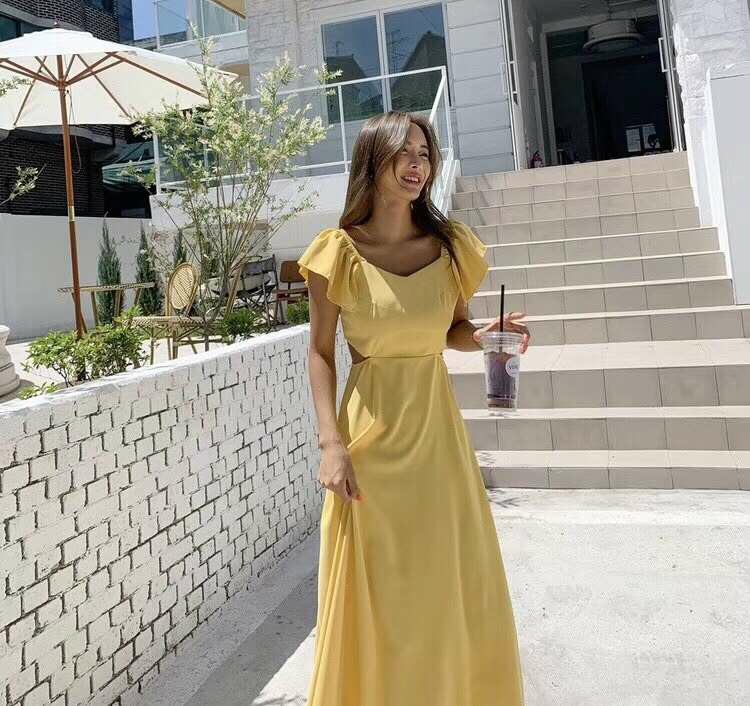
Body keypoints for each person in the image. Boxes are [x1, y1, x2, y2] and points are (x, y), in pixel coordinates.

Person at [297, 110, 530, 706]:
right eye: (404, 152)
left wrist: (484, 336)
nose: (417, 165)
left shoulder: (449, 247)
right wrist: (330, 444)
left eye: (424, 153)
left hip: (436, 441)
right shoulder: (338, 252)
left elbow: (452, 330)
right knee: (381, 587)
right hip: (369, 440)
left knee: (441, 580)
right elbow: (320, 352)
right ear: (373, 160)